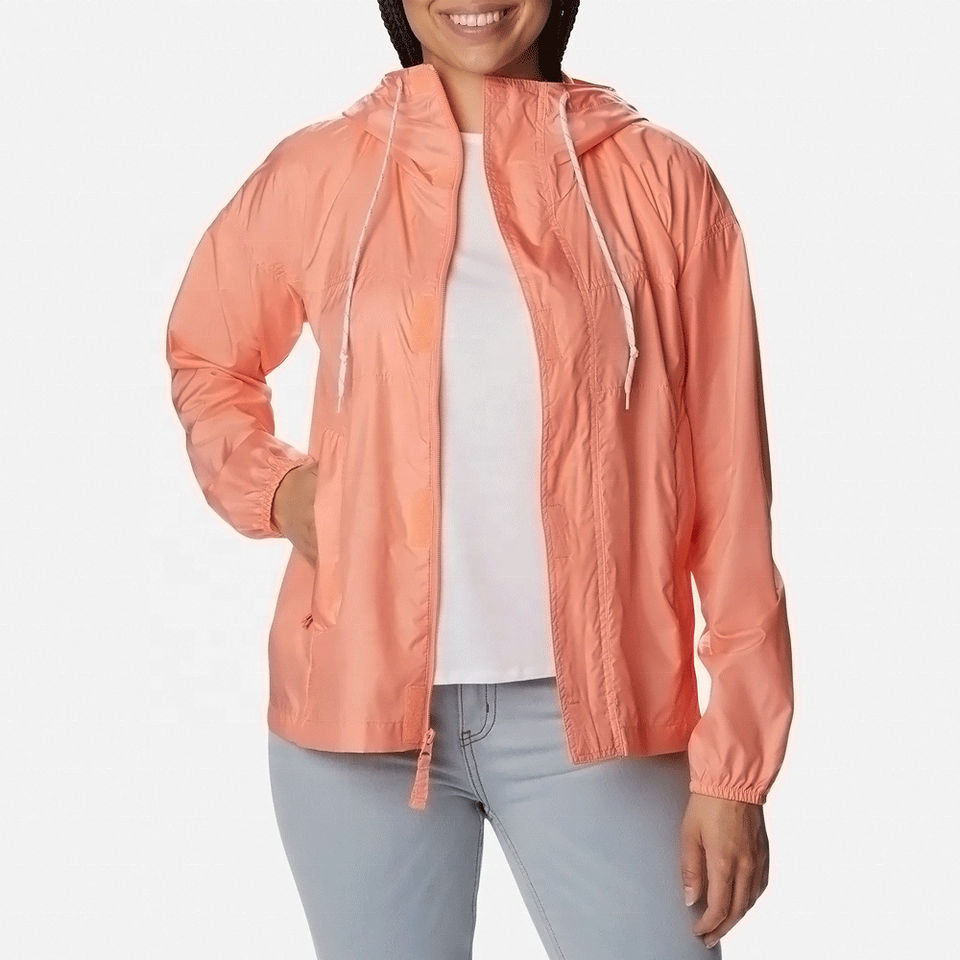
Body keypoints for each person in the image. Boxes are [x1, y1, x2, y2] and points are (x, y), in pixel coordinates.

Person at [164, 1, 795, 956]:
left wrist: (735, 769)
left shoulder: (660, 179)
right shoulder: (321, 170)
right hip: (355, 726)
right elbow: (207, 356)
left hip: (601, 722)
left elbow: (733, 485)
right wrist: (279, 491)